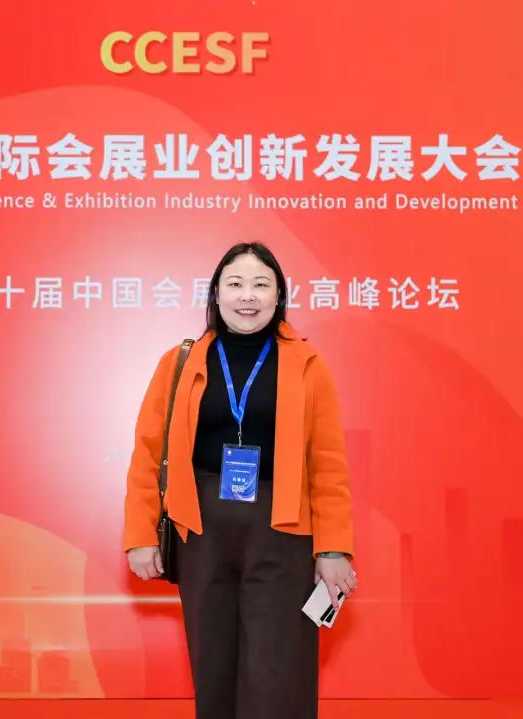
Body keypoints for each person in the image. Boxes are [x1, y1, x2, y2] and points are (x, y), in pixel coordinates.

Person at [123, 242, 357, 719]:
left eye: (260, 285)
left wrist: (333, 549)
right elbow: (148, 453)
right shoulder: (180, 362)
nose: (247, 296)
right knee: (212, 661)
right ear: (216, 294)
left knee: (277, 663)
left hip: (282, 529)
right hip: (200, 527)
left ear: (278, 296)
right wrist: (140, 535)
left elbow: (328, 463)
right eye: (235, 284)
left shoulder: (307, 365)